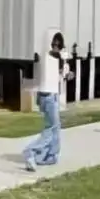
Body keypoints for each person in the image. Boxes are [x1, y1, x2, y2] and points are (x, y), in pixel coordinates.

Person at [23, 31, 70, 172]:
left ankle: (52, 155)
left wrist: (67, 71)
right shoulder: (47, 56)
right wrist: (63, 59)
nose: (56, 47)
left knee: (55, 127)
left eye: (59, 44)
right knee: (51, 128)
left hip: (53, 95)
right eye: (54, 44)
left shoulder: (59, 60)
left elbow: (63, 75)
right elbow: (51, 56)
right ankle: (30, 151)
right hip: (47, 96)